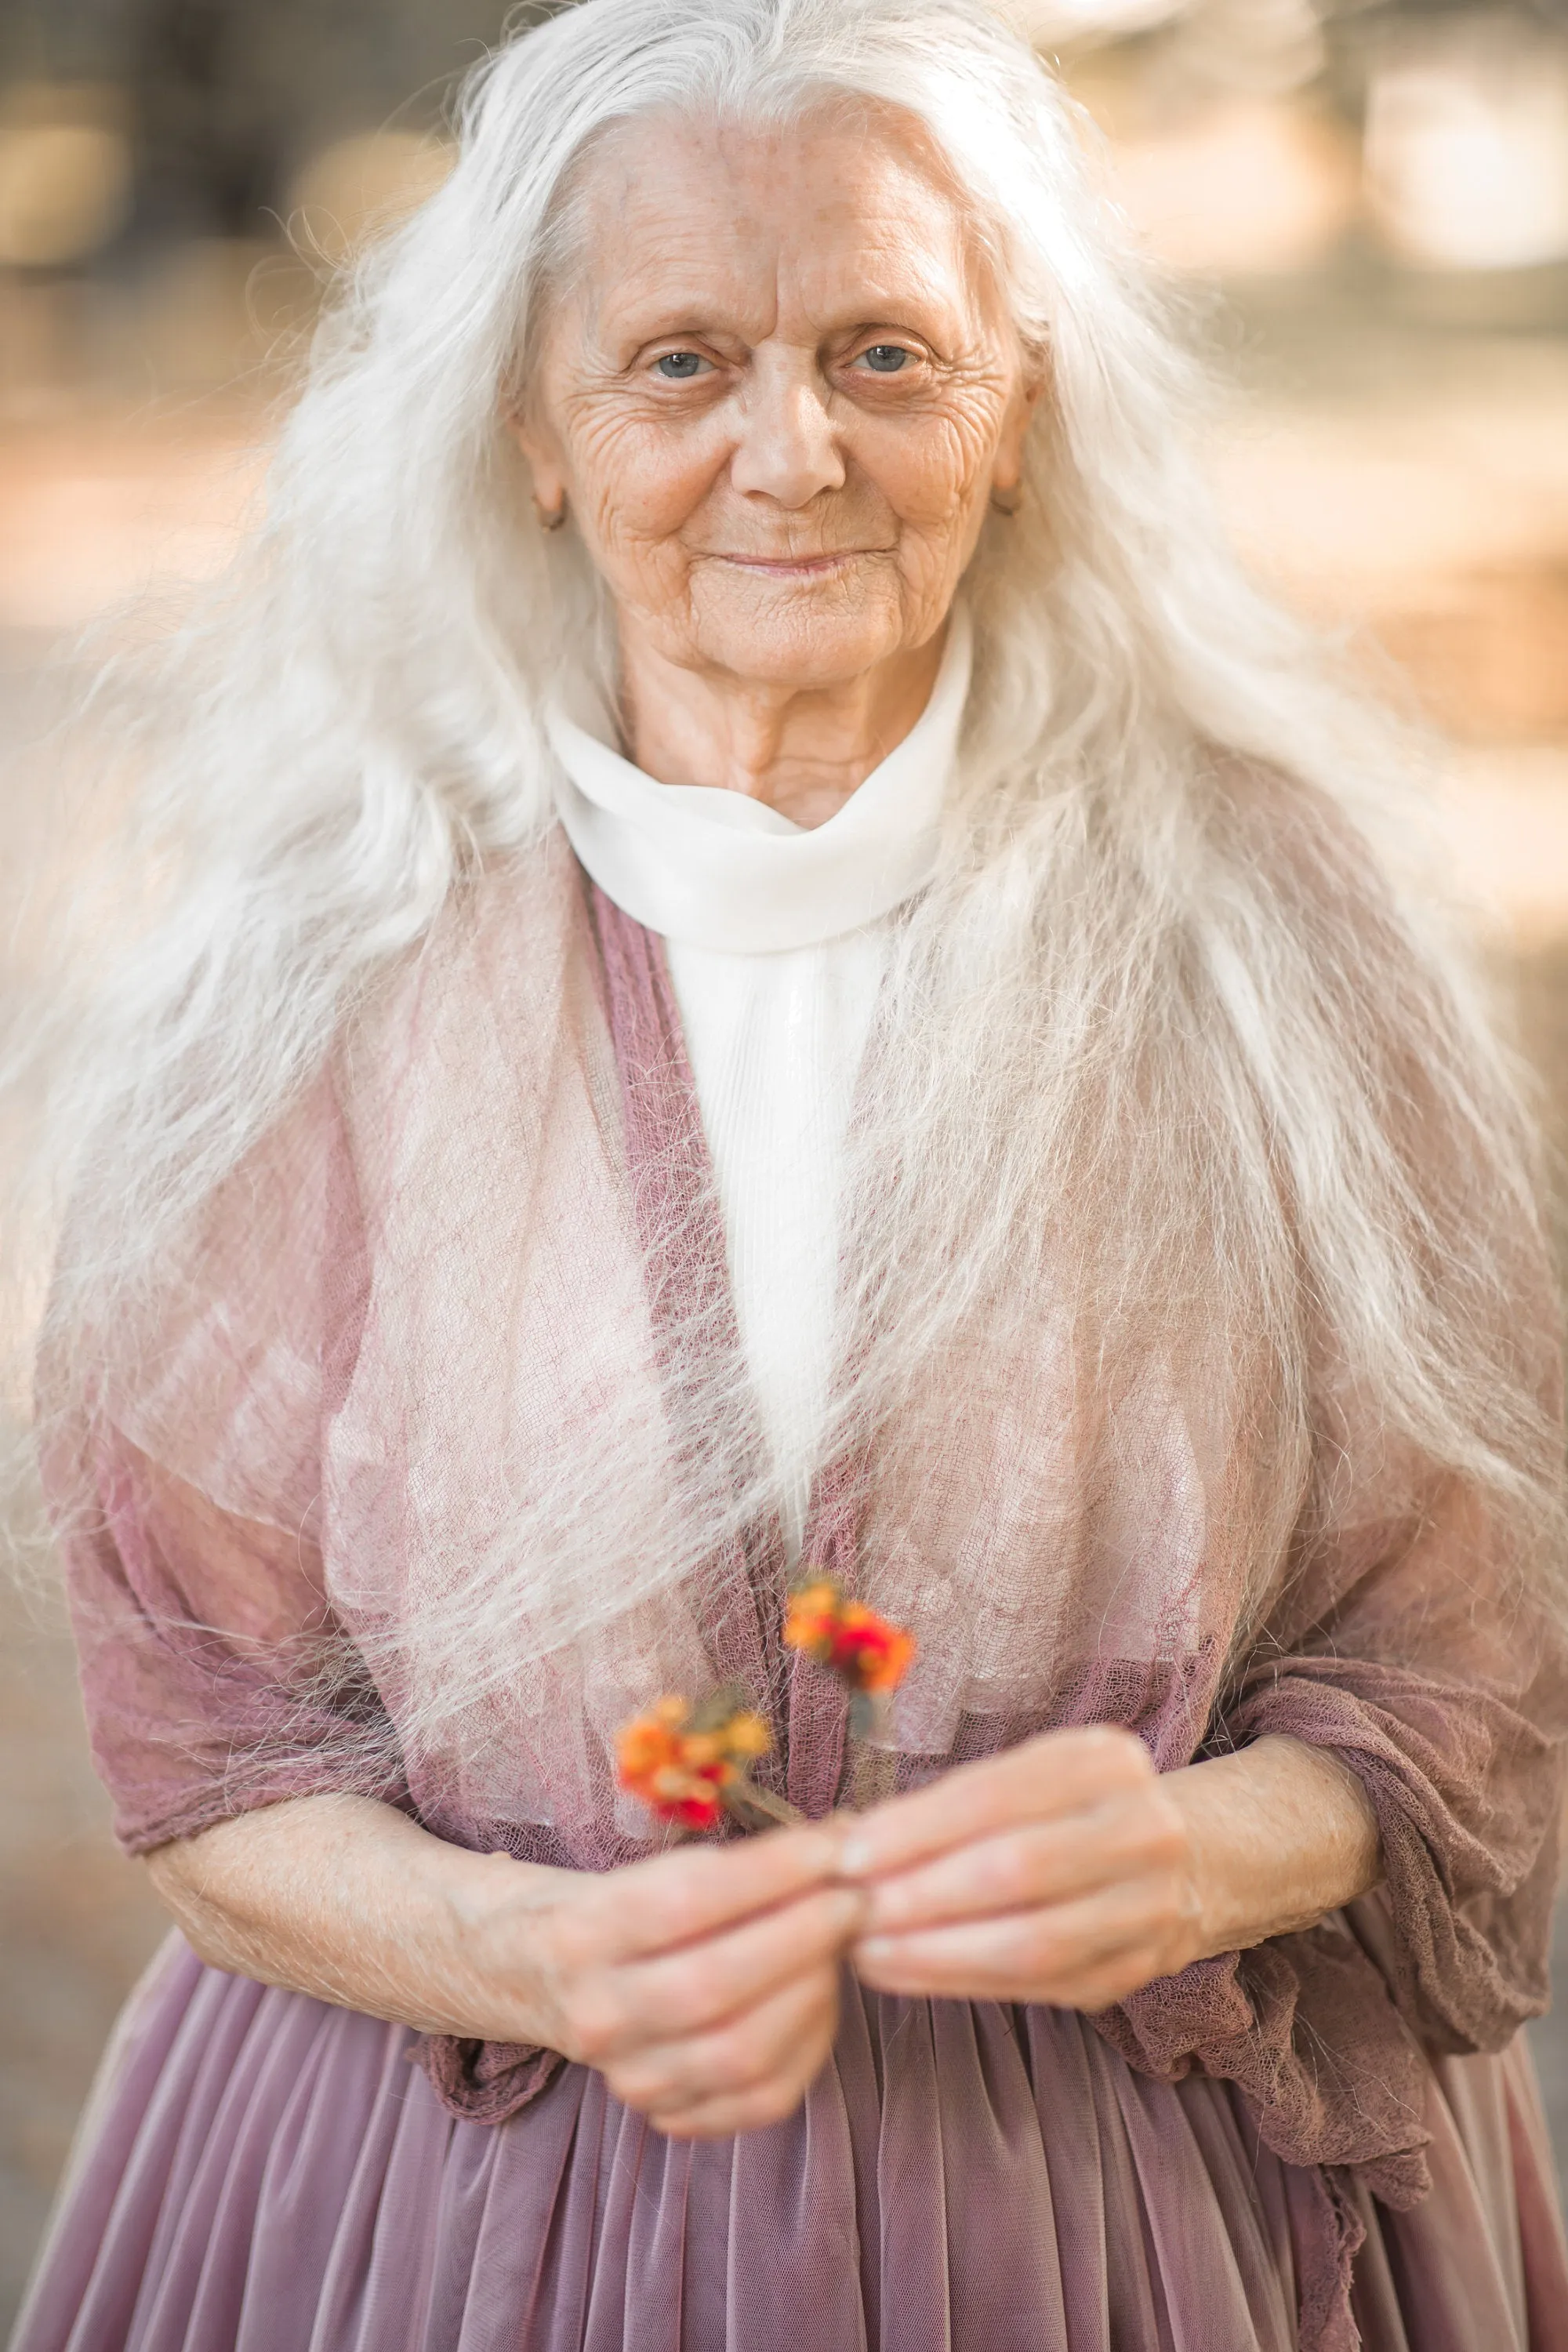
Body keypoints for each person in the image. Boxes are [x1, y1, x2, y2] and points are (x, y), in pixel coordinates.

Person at [10, 2, 1568, 2347]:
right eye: (677, 363)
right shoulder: (321, 967)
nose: (792, 451)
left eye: (884, 351)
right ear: (532, 433)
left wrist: (1200, 1847)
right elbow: (211, 1745)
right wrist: (527, 1951)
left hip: (1137, 2230)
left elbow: (1461, 1670)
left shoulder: (1275, 938)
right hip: (448, 2209)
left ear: (1021, 405)